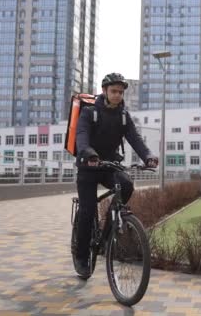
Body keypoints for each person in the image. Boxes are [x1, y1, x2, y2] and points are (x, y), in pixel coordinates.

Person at [74, 72, 158, 278]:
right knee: (87, 210)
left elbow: (134, 137)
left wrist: (147, 155)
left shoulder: (123, 116)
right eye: (114, 91)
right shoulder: (90, 112)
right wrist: (88, 153)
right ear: (104, 91)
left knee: (127, 185)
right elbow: (81, 136)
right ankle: (82, 256)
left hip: (109, 164)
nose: (118, 95)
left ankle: (111, 223)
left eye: (121, 92)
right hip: (88, 166)